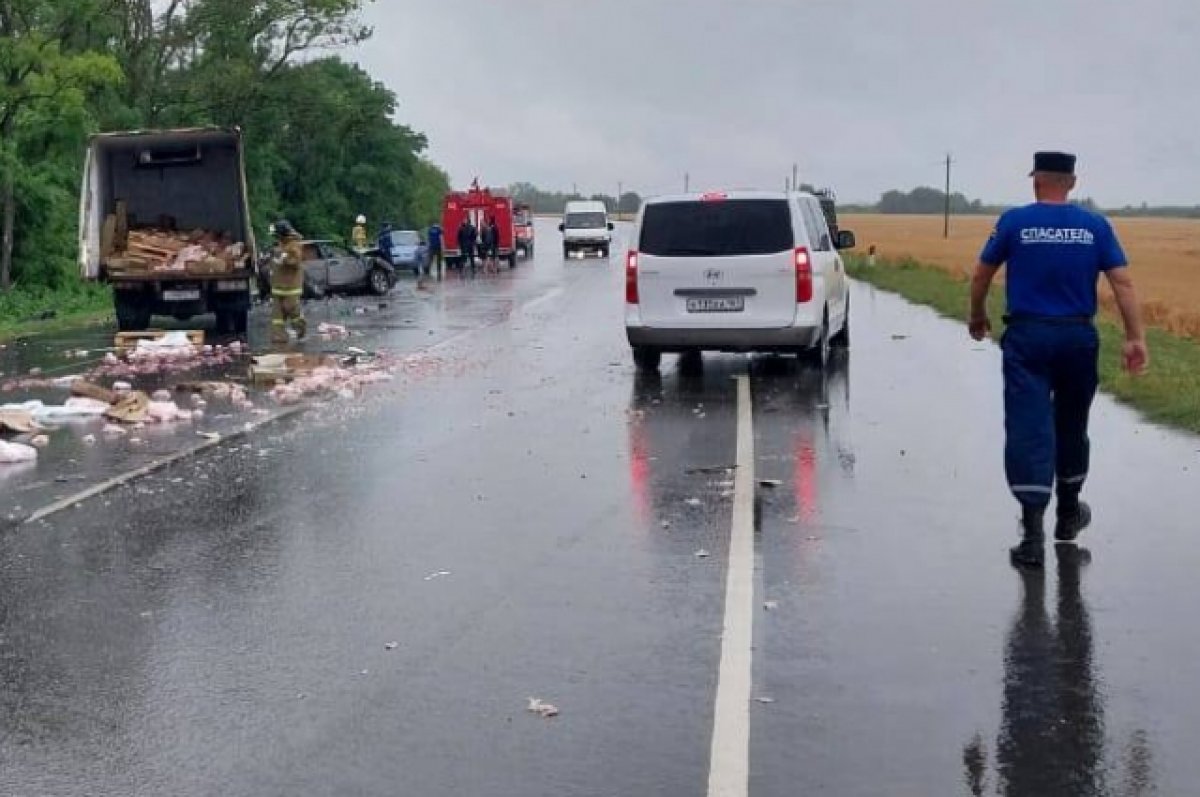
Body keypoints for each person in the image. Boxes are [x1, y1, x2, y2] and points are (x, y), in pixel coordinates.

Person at [969, 151, 1148, 568]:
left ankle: (1032, 535)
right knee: (1072, 424)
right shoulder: (1095, 226)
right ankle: (1068, 513)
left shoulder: (1014, 222)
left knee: (1028, 426)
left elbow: (981, 273)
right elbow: (1122, 281)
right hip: (1077, 337)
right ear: (1071, 183)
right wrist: (1135, 337)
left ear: (1036, 181)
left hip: (1028, 337)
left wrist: (978, 313)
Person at [270, 219, 307, 345]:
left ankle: (300, 328)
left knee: (291, 309)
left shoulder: (294, 244)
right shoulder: (280, 244)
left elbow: (296, 262)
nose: (276, 237)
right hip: (277, 285)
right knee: (277, 315)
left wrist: (285, 260)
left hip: (291, 286)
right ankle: (279, 336)